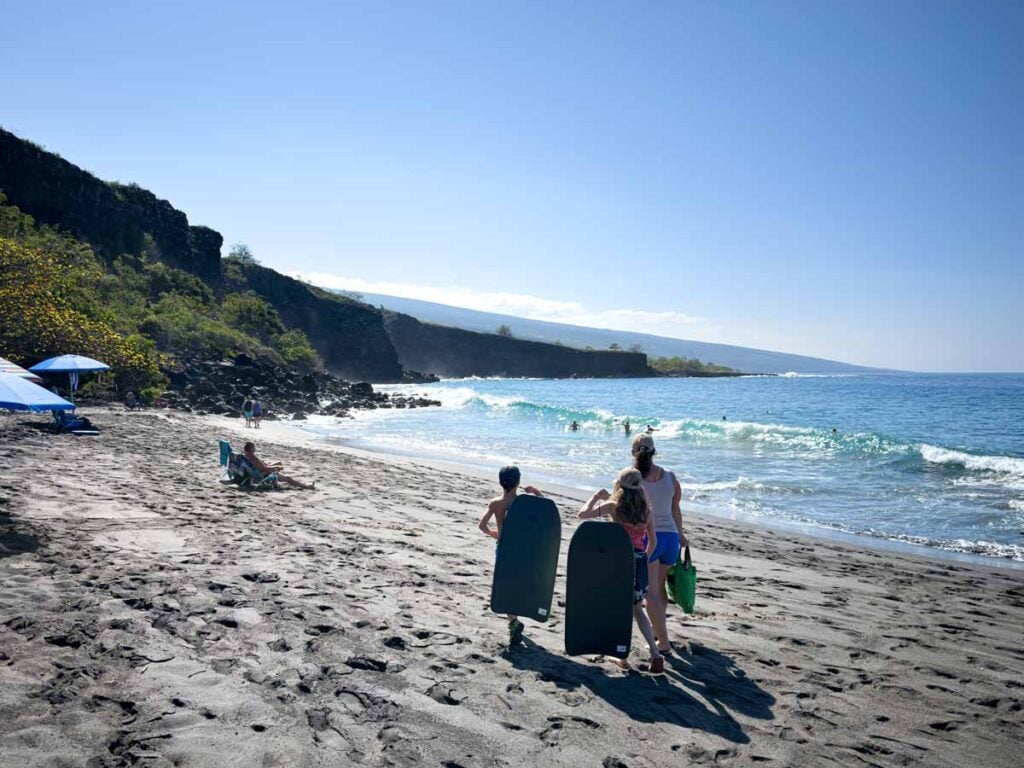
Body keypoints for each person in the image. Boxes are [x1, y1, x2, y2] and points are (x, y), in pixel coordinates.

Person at [578, 468, 664, 673]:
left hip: (618, 563)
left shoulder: (613, 506)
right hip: (639, 562)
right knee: (637, 609)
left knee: (614, 606)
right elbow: (653, 542)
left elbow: (582, 515)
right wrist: (644, 557)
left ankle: (620, 654)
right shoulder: (647, 512)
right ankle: (655, 653)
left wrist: (595, 497)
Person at [631, 433, 687, 656]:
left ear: (634, 453)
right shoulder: (671, 477)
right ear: (654, 451)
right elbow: (676, 510)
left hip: (650, 538)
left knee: (650, 594)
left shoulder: (634, 479)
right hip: (671, 539)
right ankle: (658, 629)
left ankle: (663, 642)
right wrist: (681, 535)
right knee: (659, 589)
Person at [478, 465, 545, 646]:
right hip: (521, 550)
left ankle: (513, 621)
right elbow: (546, 509)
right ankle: (521, 610)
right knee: (519, 582)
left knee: (505, 584)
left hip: (503, 548)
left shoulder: (495, 503)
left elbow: (482, 525)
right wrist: (536, 492)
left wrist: (493, 533)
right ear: (518, 482)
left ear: (501, 482)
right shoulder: (525, 501)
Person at [242, 442, 314, 489]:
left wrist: (266, 464)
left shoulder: (246, 456)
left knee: (278, 463)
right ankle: (305, 486)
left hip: (256, 472)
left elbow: (260, 467)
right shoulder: (253, 458)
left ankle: (276, 482)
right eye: (254, 447)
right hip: (264, 474)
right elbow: (265, 469)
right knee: (288, 478)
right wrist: (277, 468)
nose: (255, 448)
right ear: (251, 449)